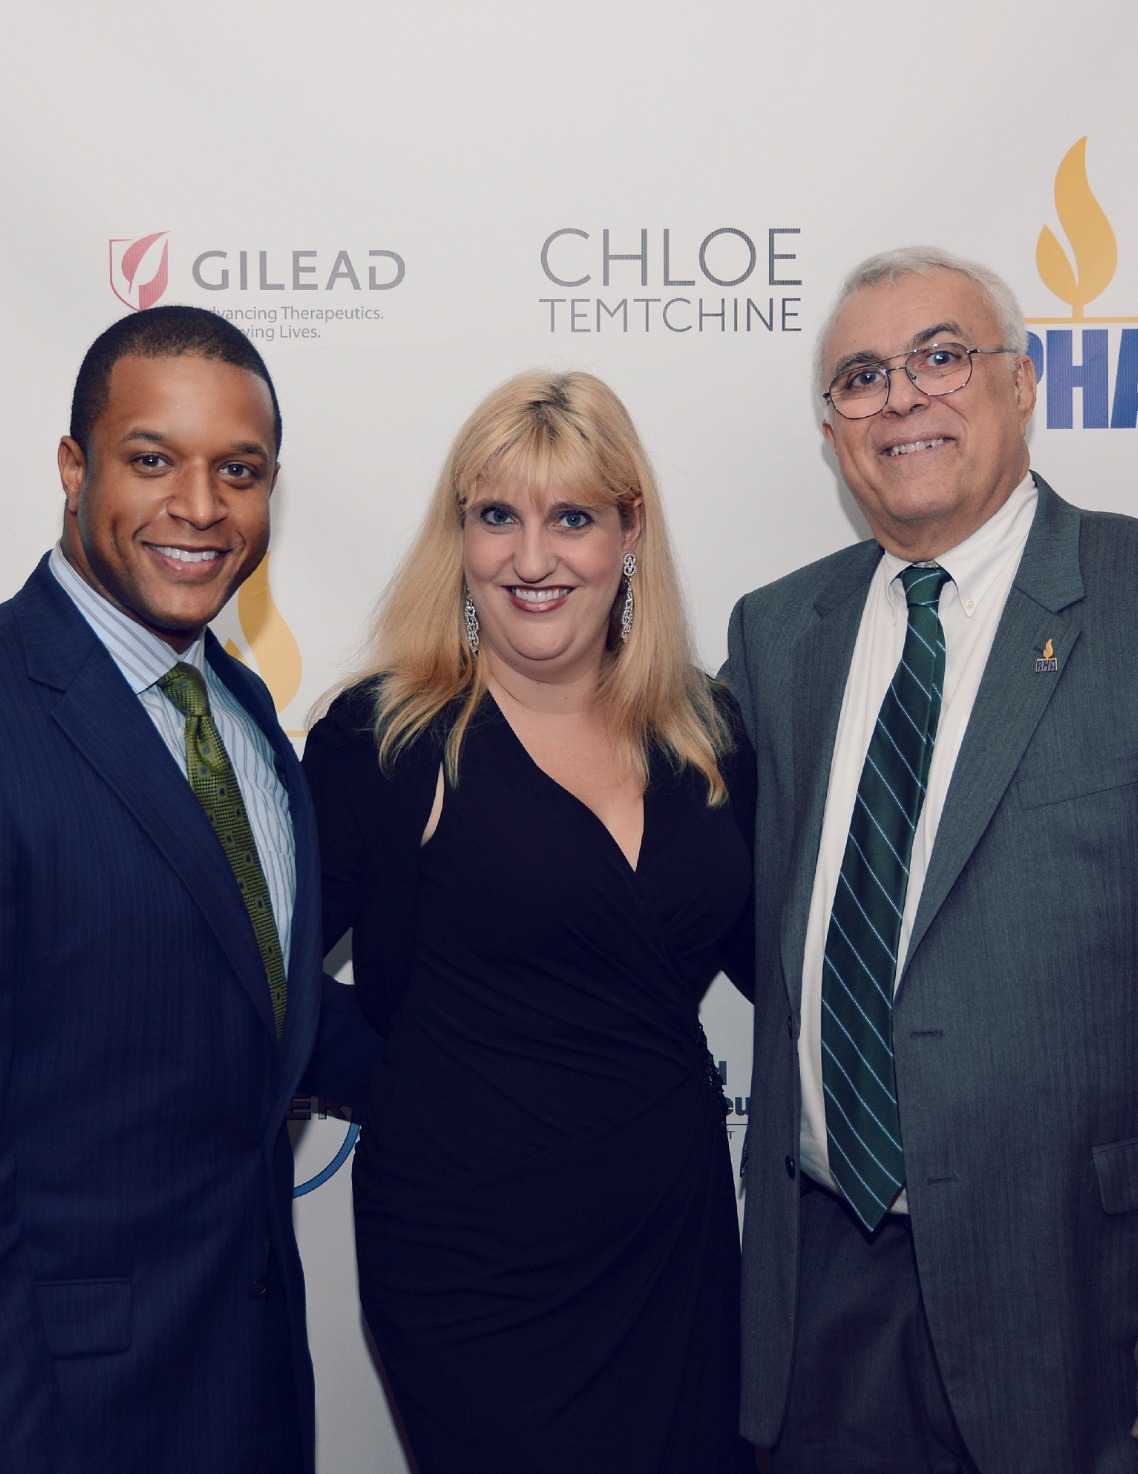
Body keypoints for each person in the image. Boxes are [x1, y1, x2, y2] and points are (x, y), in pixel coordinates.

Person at [726, 247, 1138, 1474]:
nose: (900, 398)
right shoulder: (777, 631)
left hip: (1088, 1304)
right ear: (832, 426)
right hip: (822, 1286)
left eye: (940, 356)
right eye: (859, 376)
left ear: (1024, 383)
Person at [0, 305, 374, 1474]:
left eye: (239, 470)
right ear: (75, 468)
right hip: (25, 1430)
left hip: (234, 1405)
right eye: (152, 459)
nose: (200, 506)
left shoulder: (245, 718)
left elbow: (250, 1013)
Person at [304, 371, 754, 1474]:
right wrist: (413, 1078)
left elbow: (782, 963)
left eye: (573, 518)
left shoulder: (709, 733)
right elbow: (255, 976)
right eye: (497, 516)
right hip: (472, 1260)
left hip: (674, 1239)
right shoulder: (387, 740)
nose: (533, 557)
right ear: (458, 537)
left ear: (629, 532)